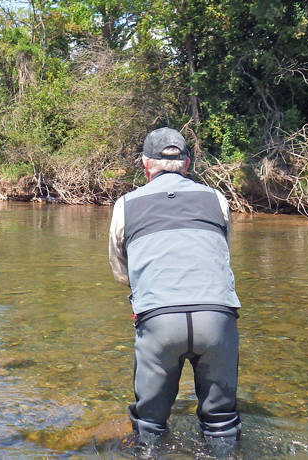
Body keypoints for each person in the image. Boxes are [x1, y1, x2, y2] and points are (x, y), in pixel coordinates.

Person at [108, 127, 241, 456]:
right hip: (217, 316)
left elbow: (121, 271)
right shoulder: (217, 199)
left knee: (150, 424)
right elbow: (219, 254)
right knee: (221, 421)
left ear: (145, 164)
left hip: (158, 319)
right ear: (187, 163)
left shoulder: (125, 205)